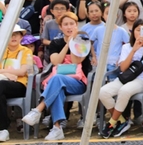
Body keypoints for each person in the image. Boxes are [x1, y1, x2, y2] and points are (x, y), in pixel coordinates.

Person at [22, 12, 91, 141]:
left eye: (72, 24)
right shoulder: (55, 43)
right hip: (59, 82)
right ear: (60, 27)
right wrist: (66, 44)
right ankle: (57, 128)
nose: (69, 27)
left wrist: (74, 42)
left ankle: (38, 109)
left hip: (78, 82)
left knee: (56, 79)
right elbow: (55, 61)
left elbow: (77, 61)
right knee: (57, 88)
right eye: (65, 24)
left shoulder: (83, 41)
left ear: (76, 26)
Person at [98, 19, 143, 138]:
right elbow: (122, 68)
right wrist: (134, 50)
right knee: (103, 92)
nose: (140, 33)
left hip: (142, 80)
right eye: (138, 30)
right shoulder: (127, 47)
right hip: (125, 78)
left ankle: (111, 123)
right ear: (133, 32)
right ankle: (122, 120)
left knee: (124, 91)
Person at [0, 25, 33, 142]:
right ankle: (2, 129)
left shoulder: (26, 51)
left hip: (19, 85)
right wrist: (8, 74)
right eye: (10, 34)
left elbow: (23, 71)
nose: (13, 37)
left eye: (16, 34)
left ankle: (3, 128)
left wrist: (4, 72)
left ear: (21, 37)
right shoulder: (2, 51)